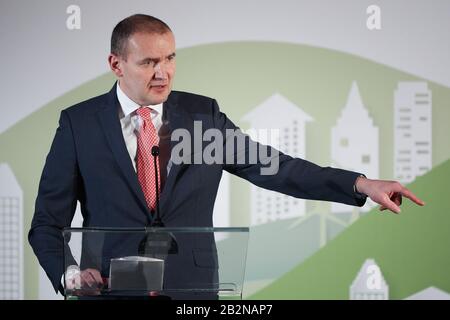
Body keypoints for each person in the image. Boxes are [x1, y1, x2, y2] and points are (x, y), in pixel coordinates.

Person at [28, 14, 425, 299]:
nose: (163, 72)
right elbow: (47, 222)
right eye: (149, 62)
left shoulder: (203, 116)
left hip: (192, 291)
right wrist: (71, 274)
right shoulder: (80, 125)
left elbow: (276, 168)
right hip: (112, 291)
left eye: (169, 59)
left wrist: (360, 184)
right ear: (116, 64)